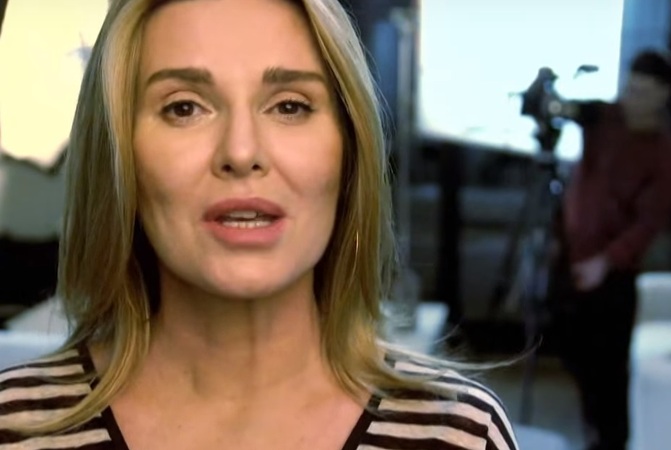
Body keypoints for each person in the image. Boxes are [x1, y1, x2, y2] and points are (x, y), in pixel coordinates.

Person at [0, 1, 519, 449]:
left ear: (348, 153)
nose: (241, 151)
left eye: (290, 106)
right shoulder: (15, 427)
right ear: (119, 156)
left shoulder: (457, 433)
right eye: (184, 108)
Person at [531, 50, 671, 450]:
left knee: (609, 369)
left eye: (642, 93)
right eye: (629, 89)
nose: (631, 99)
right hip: (571, 255)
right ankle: (593, 432)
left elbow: (649, 223)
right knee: (572, 350)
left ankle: (611, 441)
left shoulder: (663, 153)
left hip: (613, 273)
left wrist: (606, 262)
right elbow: (568, 110)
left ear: (663, 95)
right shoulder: (605, 117)